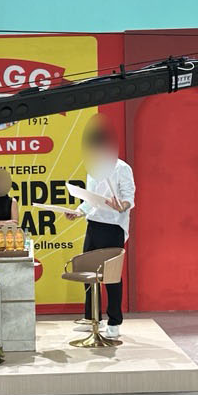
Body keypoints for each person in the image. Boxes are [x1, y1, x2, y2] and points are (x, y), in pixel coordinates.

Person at [63, 118, 135, 341]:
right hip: (93, 225)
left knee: (111, 276)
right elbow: (90, 199)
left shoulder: (122, 168)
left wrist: (120, 205)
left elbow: (129, 198)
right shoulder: (93, 169)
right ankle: (92, 317)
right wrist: (77, 211)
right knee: (88, 273)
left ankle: (114, 321)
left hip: (113, 227)